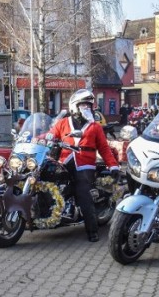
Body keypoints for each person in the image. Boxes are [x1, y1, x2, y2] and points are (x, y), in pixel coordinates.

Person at [48, 89, 120, 243]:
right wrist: (36, 138)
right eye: (83, 104)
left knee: (82, 192)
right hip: (63, 161)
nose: (87, 107)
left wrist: (113, 166)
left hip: (84, 164)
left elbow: (104, 148)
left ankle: (92, 231)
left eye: (89, 105)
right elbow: (49, 135)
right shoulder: (62, 123)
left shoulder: (95, 127)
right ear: (74, 106)